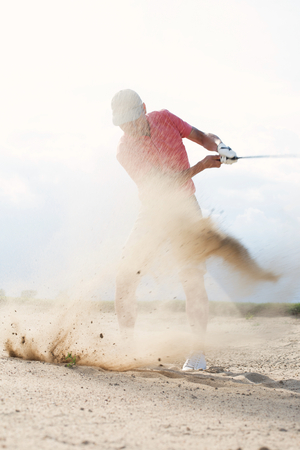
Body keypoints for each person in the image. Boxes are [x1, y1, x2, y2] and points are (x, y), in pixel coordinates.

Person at [111, 89, 237, 371]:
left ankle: (197, 355)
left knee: (192, 277)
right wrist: (201, 167)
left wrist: (219, 147)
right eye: (121, 123)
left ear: (143, 108)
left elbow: (204, 137)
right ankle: (129, 351)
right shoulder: (124, 150)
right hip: (153, 213)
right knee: (125, 276)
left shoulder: (166, 119)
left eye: (131, 119)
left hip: (186, 208)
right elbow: (163, 185)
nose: (128, 127)